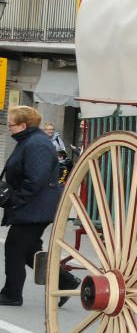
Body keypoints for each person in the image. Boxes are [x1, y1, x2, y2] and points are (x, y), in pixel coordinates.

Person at [1, 106, 78, 307]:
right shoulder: (29, 141)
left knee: (15, 248)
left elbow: (36, 179)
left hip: (35, 208)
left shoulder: (37, 144)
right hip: (33, 206)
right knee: (29, 252)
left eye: (11, 125)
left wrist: (15, 199)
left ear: (23, 125)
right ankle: (65, 281)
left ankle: (12, 294)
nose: (9, 128)